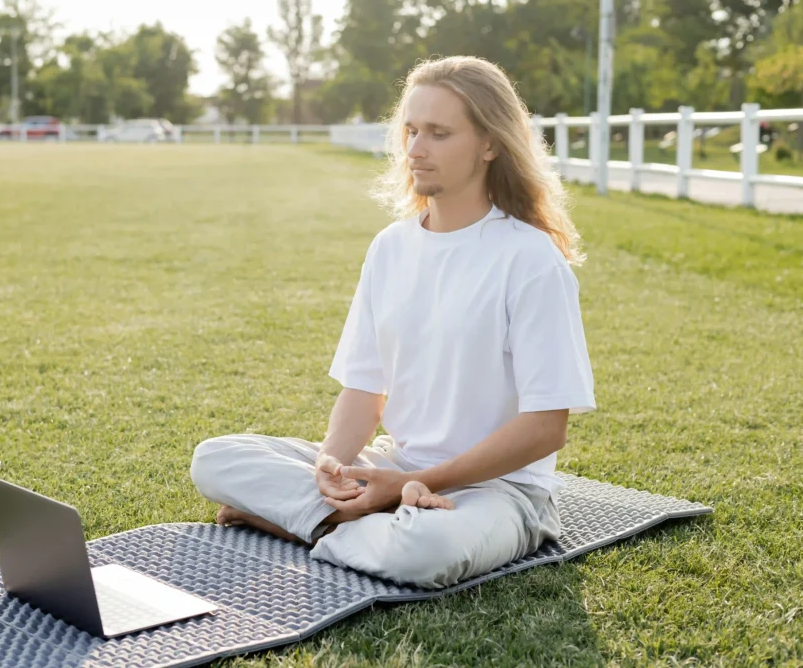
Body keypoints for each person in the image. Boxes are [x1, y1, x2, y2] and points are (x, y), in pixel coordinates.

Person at [190, 56, 595, 589]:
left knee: (424, 551)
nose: (415, 149)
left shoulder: (530, 258)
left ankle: (297, 524)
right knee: (215, 458)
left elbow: (546, 427)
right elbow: (364, 391)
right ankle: (346, 514)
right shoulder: (390, 247)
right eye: (411, 130)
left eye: (439, 133)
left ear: (490, 144)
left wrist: (414, 482)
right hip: (389, 464)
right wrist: (330, 469)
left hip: (499, 491)